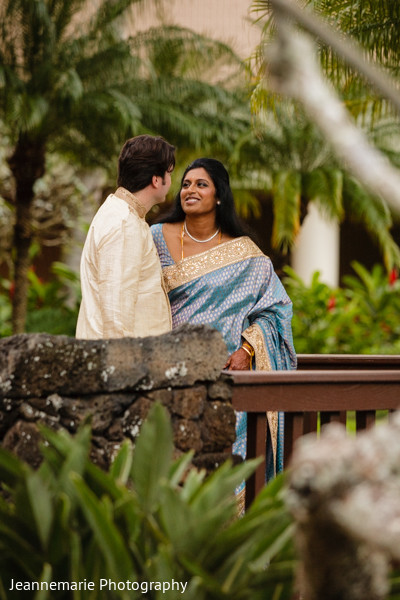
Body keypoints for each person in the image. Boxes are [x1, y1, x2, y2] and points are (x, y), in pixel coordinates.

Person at [151, 157, 296, 506]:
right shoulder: (154, 237)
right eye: (186, 184)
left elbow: (276, 309)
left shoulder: (246, 255)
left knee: (224, 472)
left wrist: (247, 351)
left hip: (226, 381)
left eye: (201, 184)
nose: (190, 190)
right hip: (168, 375)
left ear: (219, 196)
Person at [76, 134, 175, 340]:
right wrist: (125, 369)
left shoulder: (124, 215)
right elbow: (116, 315)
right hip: (123, 365)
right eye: (169, 173)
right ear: (156, 180)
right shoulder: (123, 223)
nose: (171, 181)